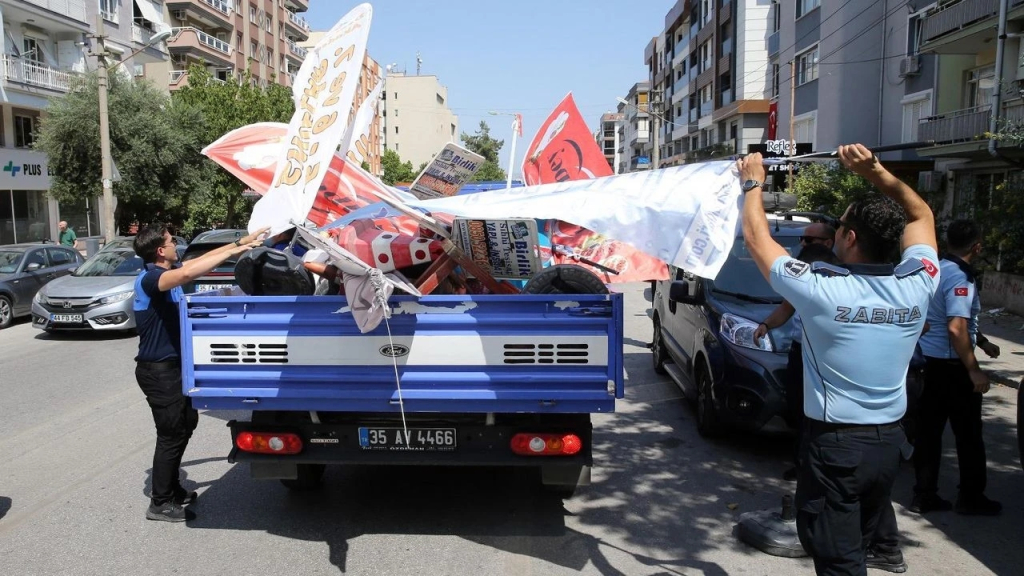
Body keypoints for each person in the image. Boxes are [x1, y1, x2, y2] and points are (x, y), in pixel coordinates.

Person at [738, 144, 939, 576]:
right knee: (857, 546)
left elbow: (757, 239)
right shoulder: (920, 281)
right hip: (889, 445)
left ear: (847, 238)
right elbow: (922, 216)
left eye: (840, 225)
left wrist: (753, 181)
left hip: (836, 446)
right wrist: (875, 172)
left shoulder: (820, 287)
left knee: (838, 559)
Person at [132, 224, 266, 522]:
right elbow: (188, 274)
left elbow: (193, 263)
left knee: (185, 423)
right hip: (158, 370)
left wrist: (239, 244)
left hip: (175, 367)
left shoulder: (168, 270)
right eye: (171, 241)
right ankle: (160, 502)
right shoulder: (152, 278)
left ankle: (172, 488)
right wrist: (237, 250)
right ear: (159, 250)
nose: (175, 245)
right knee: (170, 433)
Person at [911, 219, 1002, 516]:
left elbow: (945, 317)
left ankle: (923, 495)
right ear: (976, 246)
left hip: (929, 363)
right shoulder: (961, 277)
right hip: (952, 368)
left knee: (928, 433)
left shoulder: (934, 269)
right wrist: (974, 369)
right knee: (969, 434)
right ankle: (971, 497)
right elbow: (956, 326)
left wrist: (983, 341)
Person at [753, 242, 839, 481]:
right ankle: (802, 465)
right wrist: (766, 325)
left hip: (826, 356)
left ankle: (821, 467)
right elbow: (786, 309)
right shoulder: (802, 285)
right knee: (799, 410)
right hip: (800, 353)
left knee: (822, 413)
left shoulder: (840, 288)